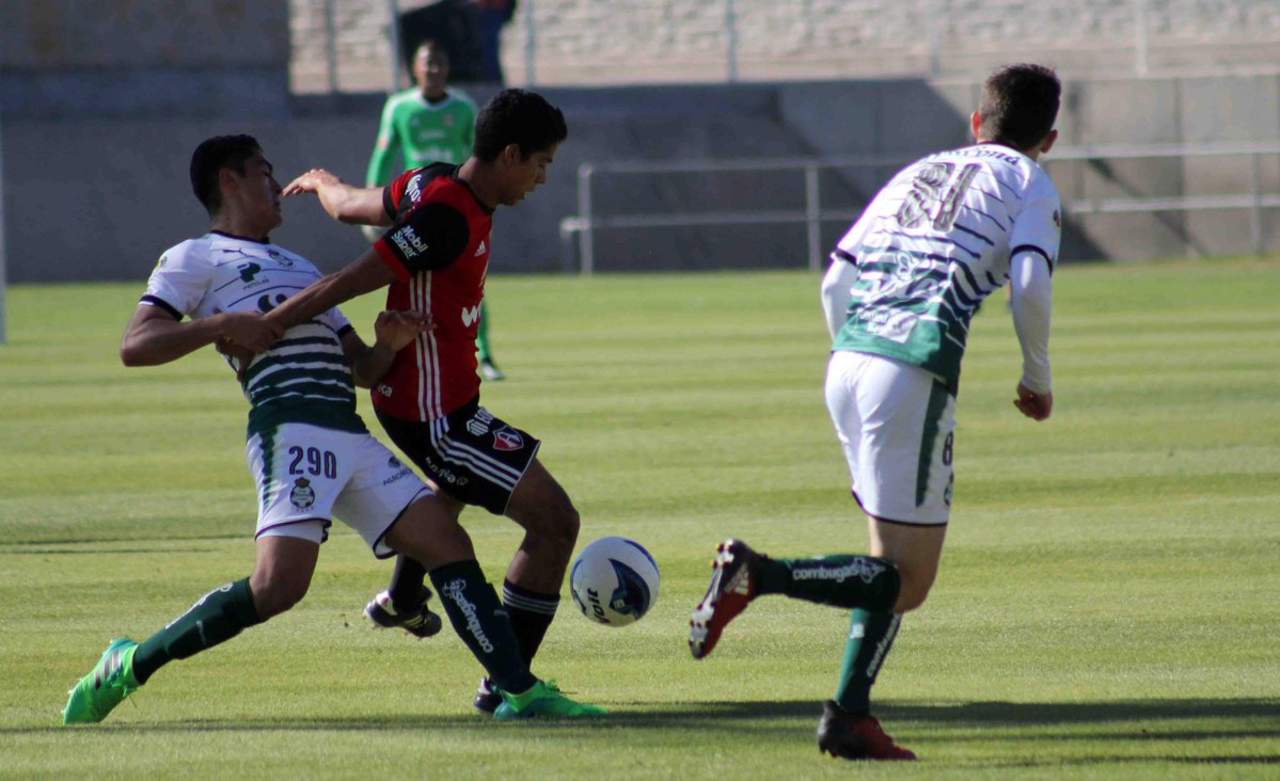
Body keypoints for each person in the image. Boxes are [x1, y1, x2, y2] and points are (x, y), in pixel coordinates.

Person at [61, 134, 601, 725]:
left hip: (348, 430)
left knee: (447, 542)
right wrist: (222, 326)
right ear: (228, 181)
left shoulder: (301, 267)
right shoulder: (195, 257)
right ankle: (130, 663)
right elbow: (137, 345)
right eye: (265, 173)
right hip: (291, 427)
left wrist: (389, 344)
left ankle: (518, 692)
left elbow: (364, 370)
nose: (277, 186)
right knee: (277, 588)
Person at [688, 64, 1062, 761]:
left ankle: (849, 716)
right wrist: (1036, 377)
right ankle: (757, 574)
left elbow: (838, 277)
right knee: (908, 581)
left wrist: (855, 361)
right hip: (910, 367)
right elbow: (1031, 282)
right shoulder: (1031, 183)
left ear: (976, 123)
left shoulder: (921, 170)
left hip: (849, 359)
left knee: (885, 563)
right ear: (1050, 139)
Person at [262, 89, 576, 716]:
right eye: (541, 163)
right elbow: (349, 280)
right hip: (438, 418)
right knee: (554, 522)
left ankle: (402, 600)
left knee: (449, 491)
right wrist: (266, 325)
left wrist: (324, 183)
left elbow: (352, 205)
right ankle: (507, 687)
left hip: (435, 403)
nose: (542, 179)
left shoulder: (429, 181)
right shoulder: (445, 218)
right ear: (510, 155)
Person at [367, 39, 505, 381]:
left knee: (469, 282)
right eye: (427, 63)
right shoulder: (399, 107)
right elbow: (383, 157)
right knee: (409, 284)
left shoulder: (463, 108)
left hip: (457, 208)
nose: (433, 70)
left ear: (447, 69)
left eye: (439, 64)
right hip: (415, 208)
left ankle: (485, 354)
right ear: (415, 68)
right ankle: (407, 359)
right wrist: (373, 204)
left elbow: (479, 156)